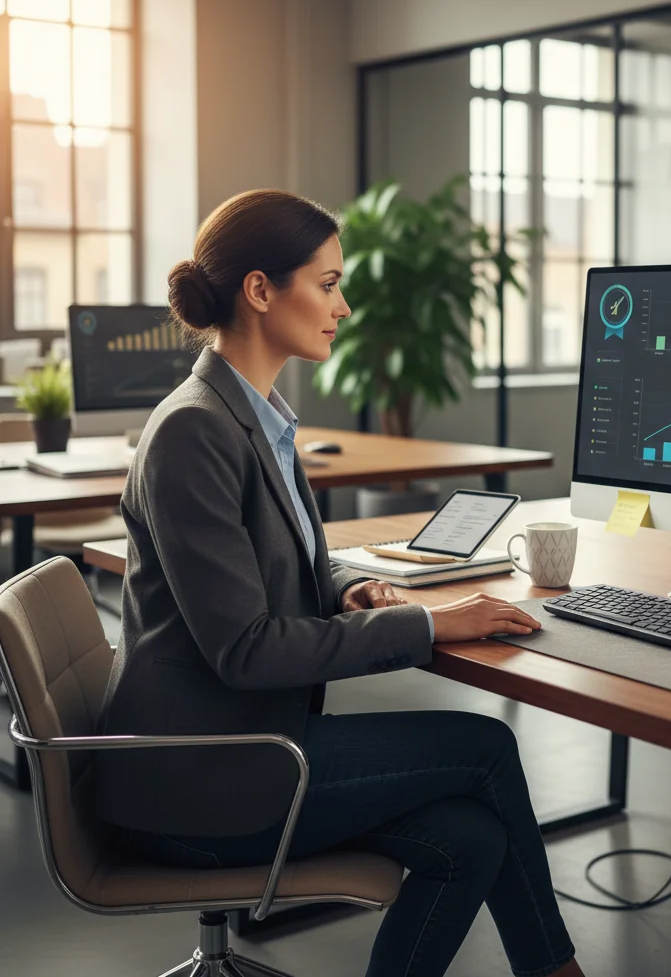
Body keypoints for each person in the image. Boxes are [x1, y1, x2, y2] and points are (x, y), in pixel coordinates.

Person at [95, 189, 585, 977]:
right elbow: (247, 650)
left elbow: (293, 562)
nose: (344, 307)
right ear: (260, 290)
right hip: (195, 782)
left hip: (241, 749)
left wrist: (350, 585)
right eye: (327, 284)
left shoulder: (255, 416)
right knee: (487, 747)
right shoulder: (195, 430)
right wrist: (432, 625)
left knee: (469, 839)